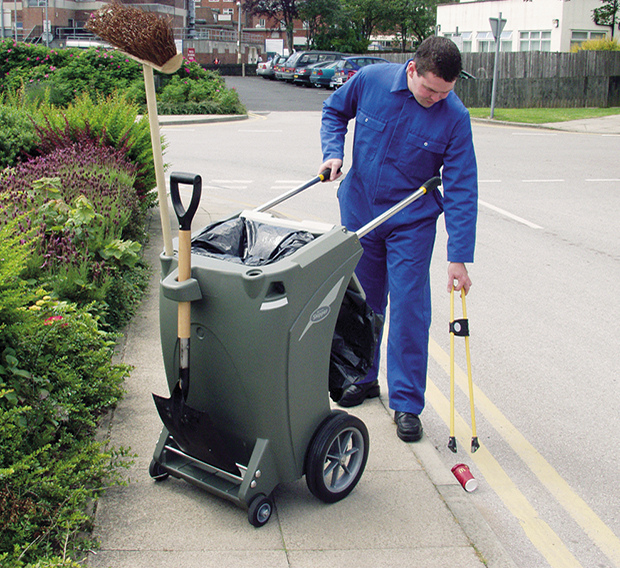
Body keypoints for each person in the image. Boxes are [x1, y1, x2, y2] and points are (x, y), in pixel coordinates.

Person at [318, 36, 478, 443]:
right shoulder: (370, 80)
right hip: (361, 213)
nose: (436, 98)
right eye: (430, 89)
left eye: (446, 91)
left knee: (410, 308)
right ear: (412, 70)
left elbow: (462, 187)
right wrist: (333, 152)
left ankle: (407, 403)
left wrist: (458, 256)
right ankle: (363, 376)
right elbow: (334, 110)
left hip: (411, 223)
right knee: (362, 302)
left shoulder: (454, 117)